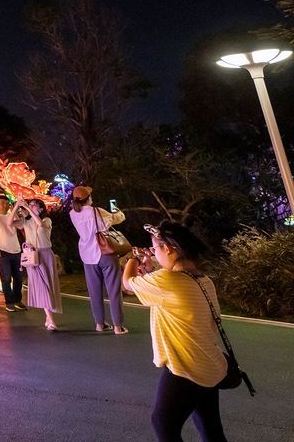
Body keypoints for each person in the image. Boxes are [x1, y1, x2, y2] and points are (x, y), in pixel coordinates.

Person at [122, 222, 230, 442]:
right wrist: (150, 271)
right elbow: (171, 295)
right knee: (210, 427)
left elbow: (127, 283)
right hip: (210, 363)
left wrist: (133, 257)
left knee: (163, 425)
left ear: (169, 249)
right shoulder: (204, 280)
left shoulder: (167, 280)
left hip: (185, 367)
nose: (154, 254)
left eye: (155, 249)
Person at [70, 185, 128, 334]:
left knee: (94, 291)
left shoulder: (73, 213)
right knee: (114, 290)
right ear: (88, 198)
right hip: (105, 253)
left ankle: (99, 324)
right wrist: (117, 211)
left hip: (87, 255)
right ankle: (118, 326)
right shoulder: (96, 211)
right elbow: (118, 219)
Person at [16, 198, 62, 330]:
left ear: (41, 208)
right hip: (33, 256)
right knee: (41, 286)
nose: (30, 206)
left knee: (49, 285)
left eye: (34, 205)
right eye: (29, 205)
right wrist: (17, 206)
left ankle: (48, 317)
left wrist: (27, 208)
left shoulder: (46, 220)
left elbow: (40, 224)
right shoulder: (26, 221)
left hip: (46, 255)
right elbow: (10, 223)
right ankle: (50, 318)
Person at [0, 193, 25, 311]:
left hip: (16, 250)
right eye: (2, 203)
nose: (5, 205)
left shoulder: (11, 215)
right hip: (3, 251)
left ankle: (18, 300)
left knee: (18, 277)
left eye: (7, 203)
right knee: (6, 277)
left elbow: (21, 226)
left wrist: (14, 211)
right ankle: (9, 302)